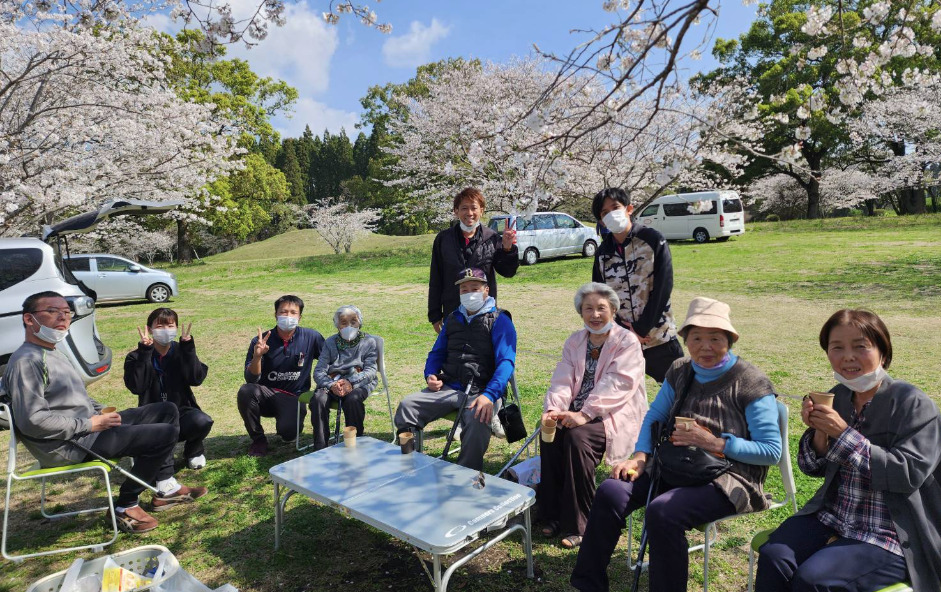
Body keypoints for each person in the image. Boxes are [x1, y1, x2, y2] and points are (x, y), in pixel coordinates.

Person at [571, 296, 782, 592]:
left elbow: (771, 452)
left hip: (730, 477)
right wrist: (641, 456)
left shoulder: (751, 382)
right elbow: (655, 415)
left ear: (730, 340)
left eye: (715, 338)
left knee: (663, 511)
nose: (705, 346)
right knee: (611, 490)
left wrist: (716, 442)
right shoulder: (681, 369)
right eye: (696, 338)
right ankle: (588, 583)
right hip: (673, 464)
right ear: (684, 339)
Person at [756, 309, 941, 592]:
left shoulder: (912, 403)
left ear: (883, 351)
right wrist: (820, 430)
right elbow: (812, 468)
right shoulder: (839, 396)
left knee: (814, 580)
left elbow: (907, 475)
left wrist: (842, 433)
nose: (848, 356)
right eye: (837, 347)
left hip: (890, 531)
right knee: (774, 556)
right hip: (834, 515)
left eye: (860, 346)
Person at [3, 291, 207, 533]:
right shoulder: (27, 361)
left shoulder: (52, 351)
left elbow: (76, 396)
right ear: (29, 319)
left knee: (166, 410)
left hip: (86, 429)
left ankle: (166, 487)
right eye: (52, 311)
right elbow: (32, 421)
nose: (63, 317)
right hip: (69, 445)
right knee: (163, 434)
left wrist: (101, 412)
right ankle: (126, 505)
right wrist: (91, 424)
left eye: (66, 312)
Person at [539, 282, 648, 549]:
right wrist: (554, 409)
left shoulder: (627, 342)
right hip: (577, 411)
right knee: (550, 434)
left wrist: (585, 414)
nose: (595, 314)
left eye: (602, 308)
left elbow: (618, 384)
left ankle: (580, 523)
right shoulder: (575, 340)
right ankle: (550, 513)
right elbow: (563, 379)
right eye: (588, 308)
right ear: (580, 313)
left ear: (613, 310)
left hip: (615, 413)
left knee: (577, 438)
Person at [396, 267, 517, 471]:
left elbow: (506, 363)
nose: (469, 294)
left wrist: (489, 395)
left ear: (486, 290)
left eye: (474, 288)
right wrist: (431, 374)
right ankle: (411, 465)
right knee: (408, 406)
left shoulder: (500, 320)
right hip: (449, 386)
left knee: (478, 421)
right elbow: (437, 353)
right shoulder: (453, 318)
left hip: (481, 392)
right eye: (464, 290)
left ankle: (466, 475)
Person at [591, 187, 683, 383]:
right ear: (601, 221)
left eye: (615, 208)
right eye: (605, 213)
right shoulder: (602, 253)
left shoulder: (652, 239)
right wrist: (621, 329)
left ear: (629, 208)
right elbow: (599, 296)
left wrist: (640, 329)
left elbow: (663, 287)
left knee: (680, 392)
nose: (611, 215)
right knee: (621, 398)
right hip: (621, 340)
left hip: (658, 336)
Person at [124, 307, 213, 470]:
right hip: (152, 415)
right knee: (155, 460)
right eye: (159, 326)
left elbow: (196, 378)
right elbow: (137, 387)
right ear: (149, 329)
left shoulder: (182, 349)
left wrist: (189, 349)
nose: (165, 330)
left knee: (202, 421)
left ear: (176, 328)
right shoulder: (136, 356)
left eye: (170, 326)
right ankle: (153, 454)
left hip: (182, 410)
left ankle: (193, 451)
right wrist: (144, 354)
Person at [237, 295, 324, 457]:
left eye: (293, 312)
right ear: (275, 314)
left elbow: (328, 360)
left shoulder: (312, 337)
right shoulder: (260, 340)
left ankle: (288, 424)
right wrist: (257, 356)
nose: (288, 316)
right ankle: (258, 440)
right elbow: (251, 379)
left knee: (289, 434)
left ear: (300, 317)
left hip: (293, 397)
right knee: (246, 391)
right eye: (283, 312)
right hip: (266, 395)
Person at [428, 187, 518, 333]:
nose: (469, 213)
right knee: (454, 352)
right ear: (456, 211)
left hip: (484, 313)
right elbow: (436, 279)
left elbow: (508, 272)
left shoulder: (492, 238)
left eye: (474, 208)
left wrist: (507, 249)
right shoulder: (443, 239)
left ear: (481, 210)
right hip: (453, 311)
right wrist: (435, 315)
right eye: (464, 208)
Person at [310, 305, 379, 450]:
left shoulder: (369, 341)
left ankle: (354, 443)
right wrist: (331, 385)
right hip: (333, 381)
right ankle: (320, 446)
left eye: (353, 321)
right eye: (344, 322)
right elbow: (319, 371)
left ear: (360, 322)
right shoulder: (330, 342)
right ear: (337, 325)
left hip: (359, 382)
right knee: (318, 399)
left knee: (352, 399)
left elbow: (371, 371)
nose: (349, 326)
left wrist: (351, 383)